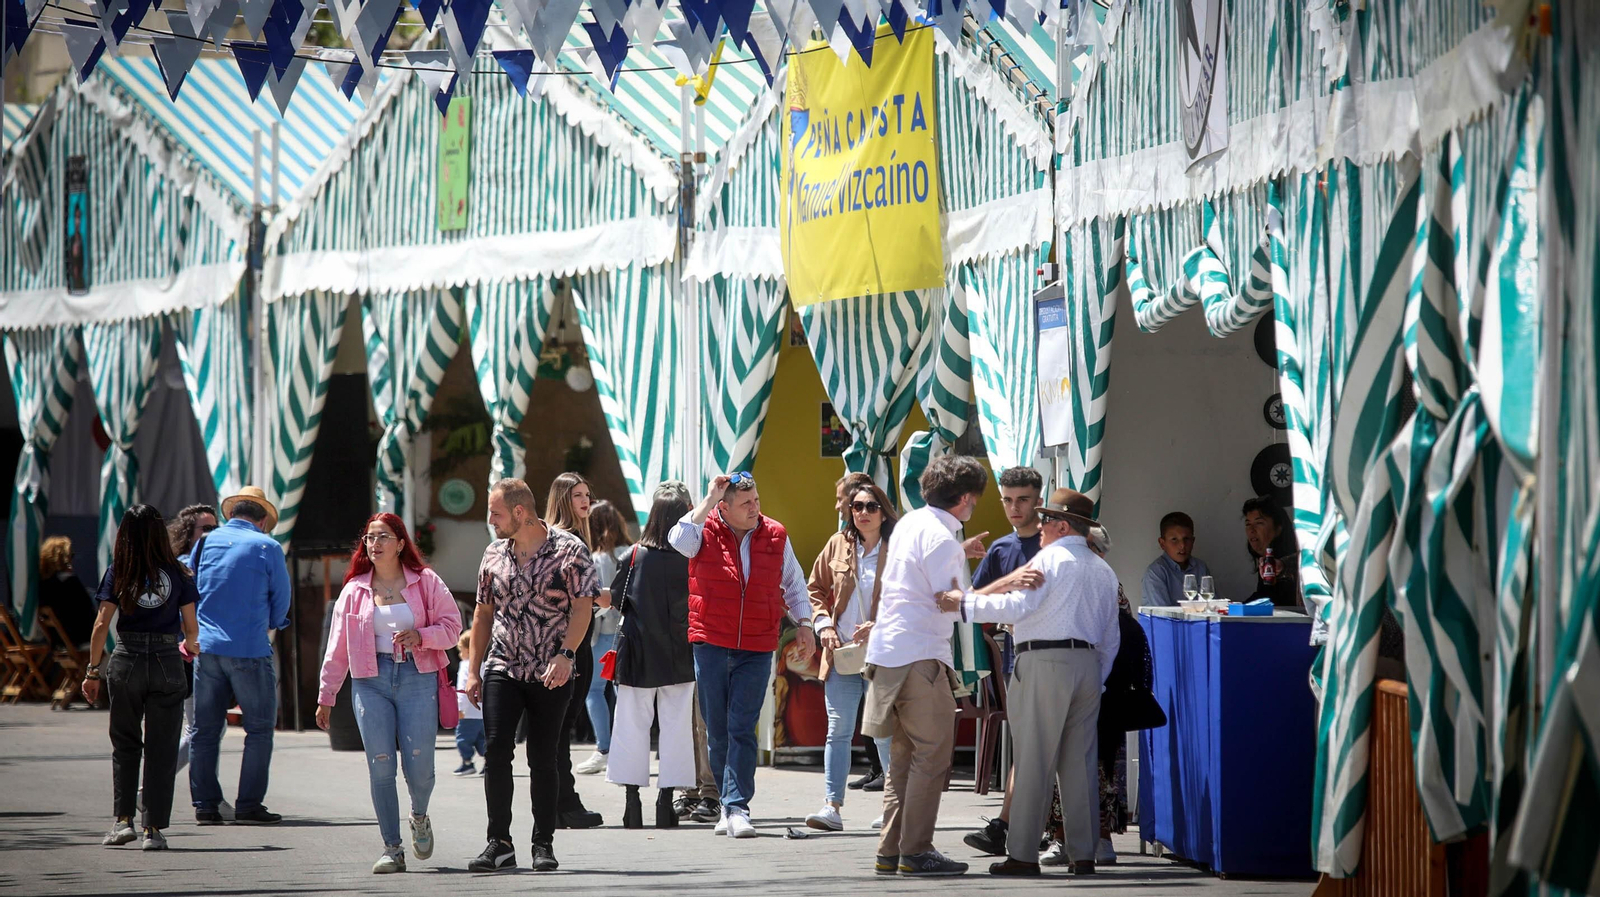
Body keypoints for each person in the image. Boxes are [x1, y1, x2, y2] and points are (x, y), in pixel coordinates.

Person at [862, 456, 1041, 877]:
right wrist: (1008, 582)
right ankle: (916, 851)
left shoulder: (911, 523)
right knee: (931, 757)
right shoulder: (941, 538)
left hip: (890, 655)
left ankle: (892, 850)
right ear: (965, 499)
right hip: (920, 657)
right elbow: (950, 603)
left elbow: (919, 578)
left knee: (905, 759)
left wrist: (958, 553)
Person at [939, 488, 1120, 877]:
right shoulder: (1103, 569)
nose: (1039, 526)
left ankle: (1022, 853)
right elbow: (1111, 636)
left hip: (1044, 662)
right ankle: (1083, 854)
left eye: (1046, 519)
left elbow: (1016, 607)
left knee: (1034, 760)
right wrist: (1096, 676)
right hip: (1088, 665)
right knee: (1080, 764)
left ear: (1062, 526)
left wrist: (964, 603)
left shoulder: (1050, 559)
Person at [670, 472, 818, 839]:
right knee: (717, 729)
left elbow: (794, 583)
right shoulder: (703, 529)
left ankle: (737, 807)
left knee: (741, 727)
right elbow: (678, 540)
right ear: (724, 508)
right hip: (711, 643)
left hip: (757, 644)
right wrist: (708, 500)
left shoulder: (775, 534)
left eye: (757, 501)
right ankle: (726, 803)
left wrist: (805, 623)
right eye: (746, 504)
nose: (755, 509)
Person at [463, 478, 597, 874]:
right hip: (503, 665)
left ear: (520, 512)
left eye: (496, 513)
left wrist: (566, 654)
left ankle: (543, 842)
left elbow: (583, 608)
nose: (491, 520)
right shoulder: (493, 554)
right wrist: (473, 671)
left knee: (542, 756)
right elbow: (483, 613)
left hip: (551, 669)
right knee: (496, 751)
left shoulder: (569, 550)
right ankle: (499, 842)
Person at [315, 513, 462, 874]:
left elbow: (453, 627)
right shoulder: (354, 590)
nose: (375, 544)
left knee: (420, 767)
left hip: (418, 675)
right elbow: (337, 648)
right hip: (370, 680)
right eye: (369, 538)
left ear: (400, 544)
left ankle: (419, 815)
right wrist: (326, 696)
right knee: (380, 765)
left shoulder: (426, 582)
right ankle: (391, 848)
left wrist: (421, 636)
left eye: (383, 537)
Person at [83, 505, 201, 851]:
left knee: (125, 744)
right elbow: (191, 628)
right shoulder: (179, 573)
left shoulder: (119, 570)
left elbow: (101, 624)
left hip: (127, 660)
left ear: (125, 535)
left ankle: (123, 822)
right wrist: (189, 647)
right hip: (167, 660)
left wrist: (92, 671)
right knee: (162, 749)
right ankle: (153, 830)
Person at [187, 485, 290, 826]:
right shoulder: (267, 546)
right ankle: (248, 805)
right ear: (262, 521)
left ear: (230, 514)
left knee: (204, 730)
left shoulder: (204, 542)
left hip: (207, 649)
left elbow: (190, 588)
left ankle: (205, 806)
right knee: (258, 730)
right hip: (249, 649)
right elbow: (281, 599)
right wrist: (272, 623)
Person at [962, 465, 1048, 857]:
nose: (1015, 508)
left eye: (1023, 500)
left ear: (1039, 501)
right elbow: (973, 604)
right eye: (1008, 500)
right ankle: (1014, 825)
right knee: (1028, 744)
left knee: (1039, 745)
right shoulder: (1001, 549)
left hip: (1057, 655)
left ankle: (1013, 825)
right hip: (1018, 659)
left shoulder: (1054, 547)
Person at [805, 481, 897, 833]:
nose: (863, 513)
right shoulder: (838, 544)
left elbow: (913, 597)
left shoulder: (897, 548)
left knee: (884, 733)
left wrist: (880, 624)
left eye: (871, 506)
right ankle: (832, 806)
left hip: (883, 654)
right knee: (838, 730)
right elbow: (814, 588)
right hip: (842, 653)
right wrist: (824, 625)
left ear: (884, 512)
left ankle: (893, 807)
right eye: (857, 506)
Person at [605, 482, 697, 829]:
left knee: (630, 726)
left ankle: (632, 803)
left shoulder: (633, 556)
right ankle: (665, 802)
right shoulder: (692, 558)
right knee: (677, 728)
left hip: (638, 653)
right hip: (680, 653)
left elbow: (617, 600)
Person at [542, 473, 606, 828]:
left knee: (557, 729)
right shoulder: (570, 540)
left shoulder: (550, 538)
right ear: (563, 499)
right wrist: (602, 596)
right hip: (570, 645)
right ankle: (563, 803)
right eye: (577, 495)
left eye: (587, 494)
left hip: (561, 643)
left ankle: (559, 801)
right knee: (560, 728)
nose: (585, 501)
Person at [1087, 524, 1143, 866]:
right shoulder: (1106, 580)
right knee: (1094, 760)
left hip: (1104, 685)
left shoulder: (1106, 581)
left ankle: (1101, 836)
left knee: (1102, 762)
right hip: (1100, 683)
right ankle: (1066, 836)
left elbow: (1119, 637)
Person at [574, 498, 633, 777]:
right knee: (626, 694)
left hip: (600, 633)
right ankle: (627, 749)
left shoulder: (593, 559)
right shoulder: (632, 553)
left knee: (594, 690)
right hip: (628, 632)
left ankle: (605, 749)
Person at [164, 505, 218, 789]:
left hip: (191, 652)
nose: (211, 534)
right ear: (188, 533)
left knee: (203, 728)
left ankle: (208, 795)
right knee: (203, 728)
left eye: (215, 528)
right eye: (205, 529)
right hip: (188, 654)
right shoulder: (187, 566)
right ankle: (151, 785)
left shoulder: (195, 562)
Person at [1140, 511, 1212, 607]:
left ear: (1193, 541)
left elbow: (1213, 605)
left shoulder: (1201, 568)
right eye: (1174, 539)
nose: (1182, 545)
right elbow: (1163, 613)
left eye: (1186, 539)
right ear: (1162, 543)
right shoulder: (1155, 572)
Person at [1242, 496, 1300, 608]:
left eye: (1259, 523)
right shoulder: (1264, 561)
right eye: (1248, 524)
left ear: (1278, 528)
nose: (1251, 530)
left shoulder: (1287, 563)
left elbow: (1271, 601)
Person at [37, 535, 94, 645]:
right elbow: (87, 611)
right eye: (71, 556)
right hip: (80, 638)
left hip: (57, 640)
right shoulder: (69, 583)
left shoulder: (42, 584)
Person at [454, 631, 486, 776]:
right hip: (482, 712)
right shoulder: (484, 665)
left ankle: (467, 762)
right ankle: (488, 761)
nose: (460, 654)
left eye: (461, 650)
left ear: (468, 650)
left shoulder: (465, 666)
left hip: (467, 712)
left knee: (462, 738)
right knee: (482, 740)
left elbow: (462, 688)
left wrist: (460, 708)